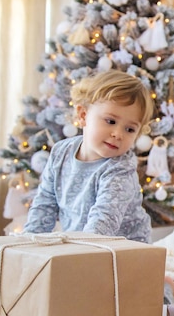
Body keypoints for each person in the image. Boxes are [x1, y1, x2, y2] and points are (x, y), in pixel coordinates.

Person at [22, 70, 154, 243]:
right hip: (83, 246)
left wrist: (82, 255)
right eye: (111, 121)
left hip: (125, 251)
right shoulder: (61, 152)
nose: (118, 134)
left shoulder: (121, 169)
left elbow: (103, 220)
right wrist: (28, 242)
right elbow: (45, 202)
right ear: (83, 115)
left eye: (129, 129)